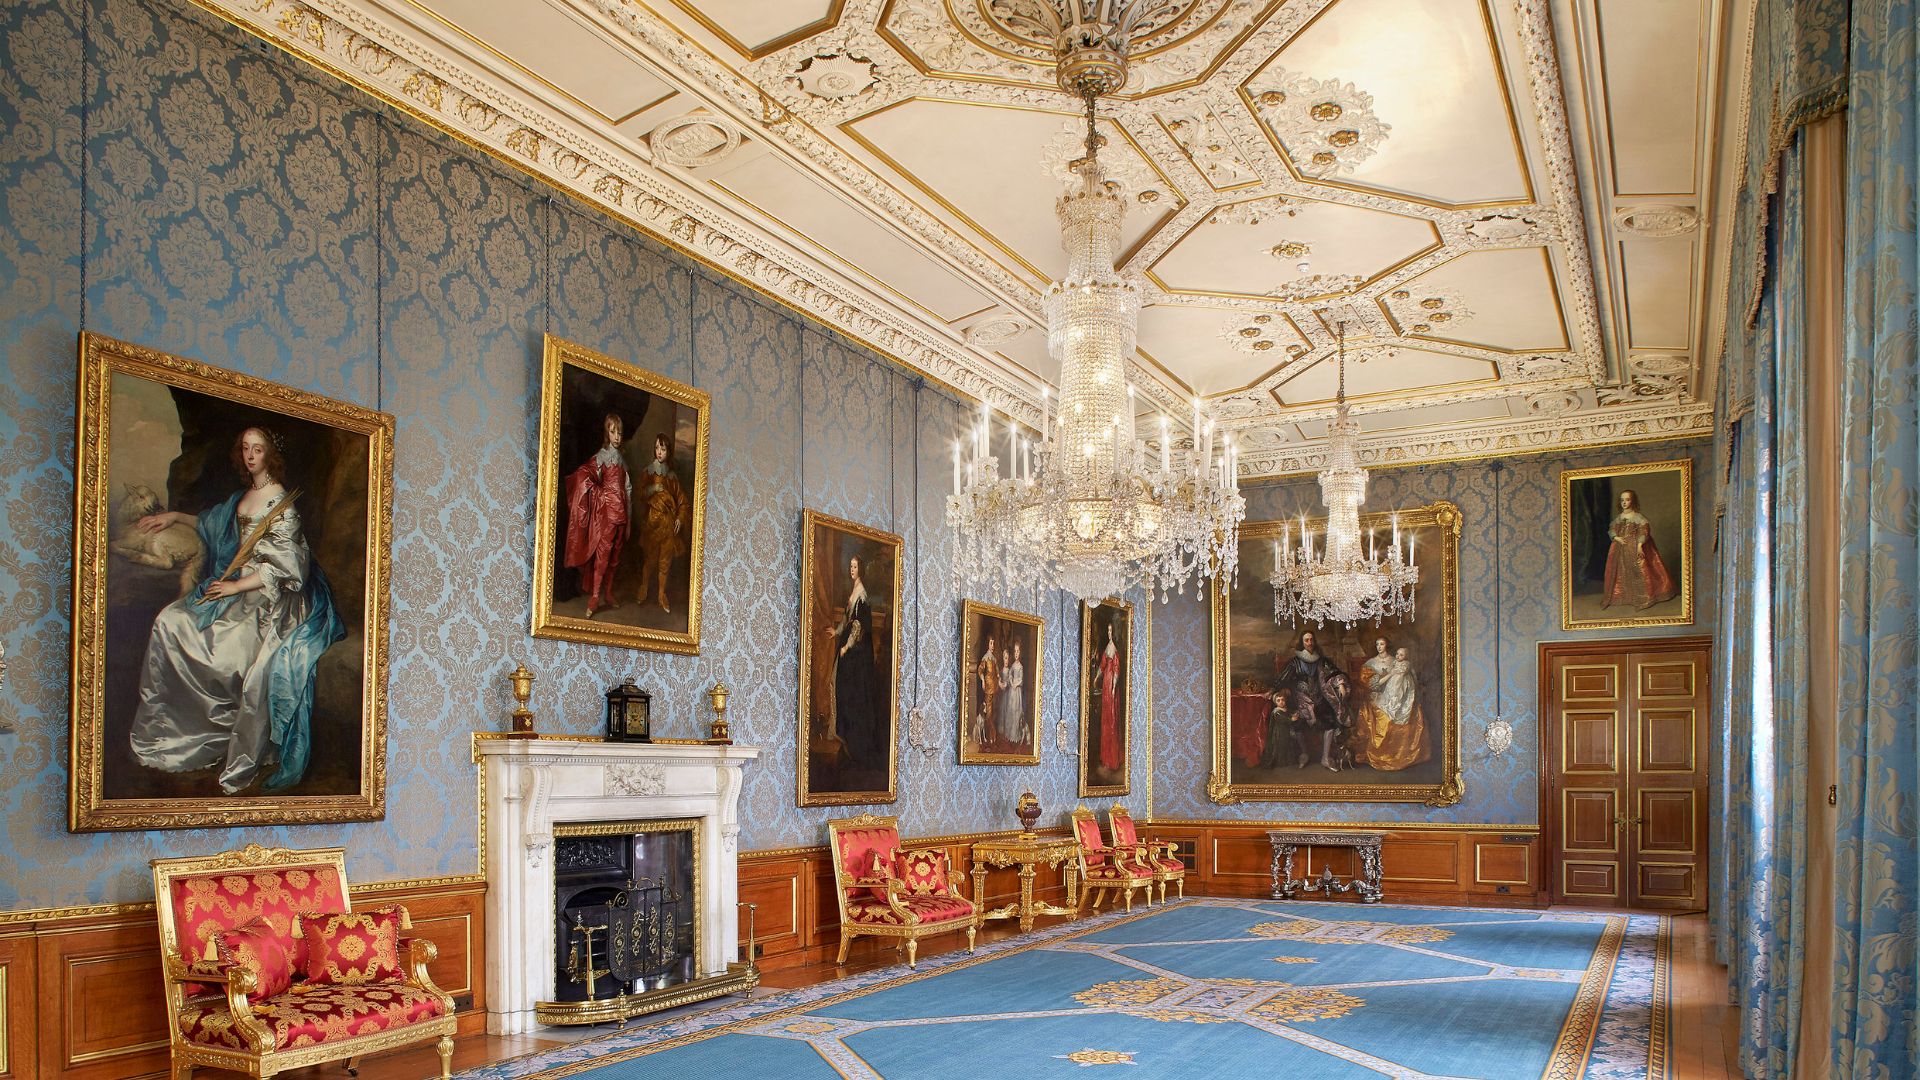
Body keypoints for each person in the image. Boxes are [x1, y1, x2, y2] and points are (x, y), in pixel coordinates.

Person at [127, 427, 345, 794]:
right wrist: (176, 517)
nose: (250, 456)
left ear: (270, 454)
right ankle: (171, 730)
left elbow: (287, 568)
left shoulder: (282, 505)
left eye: (257, 449)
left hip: (267, 597)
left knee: (227, 654)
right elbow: (215, 527)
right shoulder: (243, 497)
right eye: (245, 448)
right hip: (234, 589)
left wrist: (235, 586)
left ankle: (224, 735)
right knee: (170, 621)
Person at [563, 413, 630, 618]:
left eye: (619, 432)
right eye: (613, 432)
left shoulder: (623, 462)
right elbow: (584, 474)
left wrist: (629, 517)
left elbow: (628, 490)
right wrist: (602, 495)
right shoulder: (601, 458)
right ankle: (595, 596)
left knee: (615, 558)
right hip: (607, 516)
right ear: (607, 433)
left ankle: (608, 593)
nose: (617, 436)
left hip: (622, 515)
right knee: (602, 557)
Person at [829, 554, 882, 765]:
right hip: (851, 652)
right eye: (850, 566)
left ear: (861, 569)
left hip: (856, 656)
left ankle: (855, 743)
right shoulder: (854, 591)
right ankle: (846, 737)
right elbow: (847, 619)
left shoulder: (862, 594)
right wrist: (837, 631)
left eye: (855, 566)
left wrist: (846, 646)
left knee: (853, 695)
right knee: (843, 689)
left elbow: (858, 626)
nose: (851, 570)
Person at [1352, 638, 1429, 771]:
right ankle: (1383, 755)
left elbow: (1411, 679)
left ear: (1387, 645)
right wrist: (1390, 676)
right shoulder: (1370, 663)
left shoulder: (1397, 660)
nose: (1379, 647)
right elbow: (1373, 685)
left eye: (1382, 644)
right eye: (1377, 644)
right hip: (1380, 693)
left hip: (1399, 694)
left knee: (1413, 710)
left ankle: (1402, 756)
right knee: (1380, 712)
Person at [636, 433, 690, 614]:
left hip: (668, 527)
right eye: (657, 448)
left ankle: (661, 594)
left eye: (663, 449)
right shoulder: (648, 472)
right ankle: (644, 587)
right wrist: (653, 488)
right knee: (650, 559)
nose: (659, 452)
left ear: (669, 452)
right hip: (653, 524)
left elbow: (682, 501)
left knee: (664, 562)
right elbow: (641, 494)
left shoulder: (672, 477)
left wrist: (680, 518)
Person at [1601, 488, 1678, 610]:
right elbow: (1611, 529)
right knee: (1621, 571)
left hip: (1635, 546)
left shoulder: (1638, 517)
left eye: (1627, 500)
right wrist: (1616, 538)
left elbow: (1644, 531)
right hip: (1620, 549)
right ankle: (1626, 596)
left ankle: (1643, 597)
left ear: (1633, 501)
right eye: (1622, 500)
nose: (1624, 503)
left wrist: (1639, 545)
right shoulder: (1619, 518)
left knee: (1640, 570)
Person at [1280, 631, 1344, 770]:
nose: (1309, 643)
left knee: (1330, 721)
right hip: (1300, 699)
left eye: (1311, 640)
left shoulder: (1321, 660)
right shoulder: (1295, 662)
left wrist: (1341, 684)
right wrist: (1275, 690)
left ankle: (1325, 758)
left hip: (1319, 698)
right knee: (1298, 723)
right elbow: (1283, 679)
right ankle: (1304, 753)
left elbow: (1335, 672)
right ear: (1302, 643)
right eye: (1306, 640)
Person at [1096, 622, 1124, 771]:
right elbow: (1102, 665)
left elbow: (1117, 670)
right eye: (1107, 630)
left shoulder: (1114, 649)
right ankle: (1106, 758)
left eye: (1111, 631)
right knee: (1106, 720)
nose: (1109, 633)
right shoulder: (1107, 647)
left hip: (1111, 686)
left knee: (1112, 721)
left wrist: (1113, 688)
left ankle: (1112, 759)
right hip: (1106, 684)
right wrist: (1096, 678)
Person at [1000, 639, 1027, 749]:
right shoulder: (1012, 666)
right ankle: (1009, 735)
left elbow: (1021, 679)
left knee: (1016, 712)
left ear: (1020, 653)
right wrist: (1011, 681)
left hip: (1017, 692)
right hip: (1011, 691)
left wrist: (1015, 684)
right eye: (1015, 652)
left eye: (1018, 652)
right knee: (1010, 711)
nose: (1016, 654)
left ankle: (1015, 736)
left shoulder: (1020, 666)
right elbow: (1010, 675)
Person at [975, 635, 998, 751]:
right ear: (987, 645)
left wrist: (1002, 682)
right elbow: (980, 670)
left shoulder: (994, 659)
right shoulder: (985, 658)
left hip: (995, 689)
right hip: (988, 688)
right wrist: (983, 680)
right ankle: (989, 739)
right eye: (990, 643)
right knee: (988, 714)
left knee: (993, 713)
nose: (992, 646)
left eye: (993, 643)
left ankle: (993, 738)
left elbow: (997, 674)